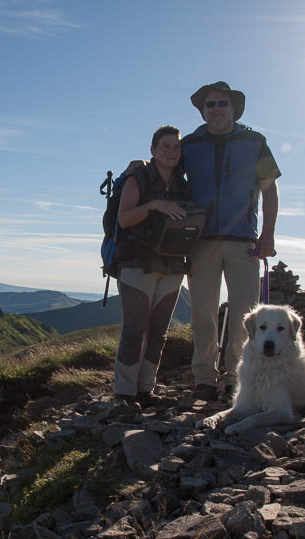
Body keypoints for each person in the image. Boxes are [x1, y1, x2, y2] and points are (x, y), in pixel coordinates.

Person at [181, 81, 281, 401]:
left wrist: (268, 235)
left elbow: (270, 189)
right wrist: (138, 167)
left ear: (233, 107)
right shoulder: (190, 144)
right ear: (203, 109)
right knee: (202, 312)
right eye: (210, 104)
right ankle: (204, 379)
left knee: (244, 313)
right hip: (200, 241)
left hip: (244, 241)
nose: (216, 109)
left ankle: (236, 377)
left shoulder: (255, 141)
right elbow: (165, 173)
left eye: (222, 103)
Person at [113, 125, 192, 405]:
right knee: (135, 330)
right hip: (136, 262)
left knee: (158, 332)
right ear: (153, 150)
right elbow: (124, 219)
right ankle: (124, 392)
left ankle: (146, 390)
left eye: (176, 147)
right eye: (165, 146)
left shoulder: (183, 184)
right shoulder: (138, 178)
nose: (171, 151)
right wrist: (154, 204)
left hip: (172, 265)